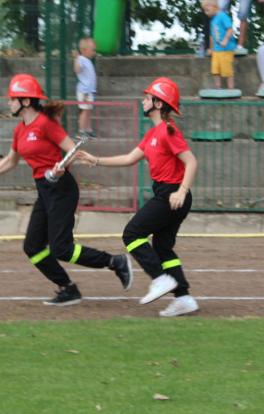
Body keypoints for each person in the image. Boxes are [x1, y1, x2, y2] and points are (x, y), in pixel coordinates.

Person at [0, 74, 134, 306]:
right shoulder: (20, 130)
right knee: (32, 246)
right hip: (44, 190)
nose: (9, 103)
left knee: (61, 248)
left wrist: (60, 168)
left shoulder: (45, 124)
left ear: (26, 101)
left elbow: (72, 150)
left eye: (12, 99)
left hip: (61, 188)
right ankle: (68, 289)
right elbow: (11, 160)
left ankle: (115, 262)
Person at [75, 78, 200, 317]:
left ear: (159, 103)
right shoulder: (153, 133)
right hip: (168, 193)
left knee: (131, 234)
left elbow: (191, 161)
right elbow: (130, 158)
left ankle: (160, 280)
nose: (143, 101)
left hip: (171, 193)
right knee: (163, 248)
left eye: (147, 97)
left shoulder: (167, 130)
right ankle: (183, 298)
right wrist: (96, 160)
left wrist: (181, 191)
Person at [202, 0, 236, 89]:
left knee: (227, 70)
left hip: (226, 49)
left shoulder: (223, 16)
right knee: (215, 70)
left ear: (214, 7)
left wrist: (225, 40)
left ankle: (231, 88)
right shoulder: (213, 20)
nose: (206, 13)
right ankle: (218, 87)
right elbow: (212, 36)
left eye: (207, 10)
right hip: (217, 50)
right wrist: (211, 48)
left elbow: (230, 29)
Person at [73, 36, 98, 138]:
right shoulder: (81, 59)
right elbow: (77, 70)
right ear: (84, 49)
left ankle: (88, 131)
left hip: (89, 91)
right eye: (92, 50)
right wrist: (76, 58)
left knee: (88, 111)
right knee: (85, 110)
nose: (94, 52)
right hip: (84, 91)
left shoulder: (87, 60)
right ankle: (81, 132)